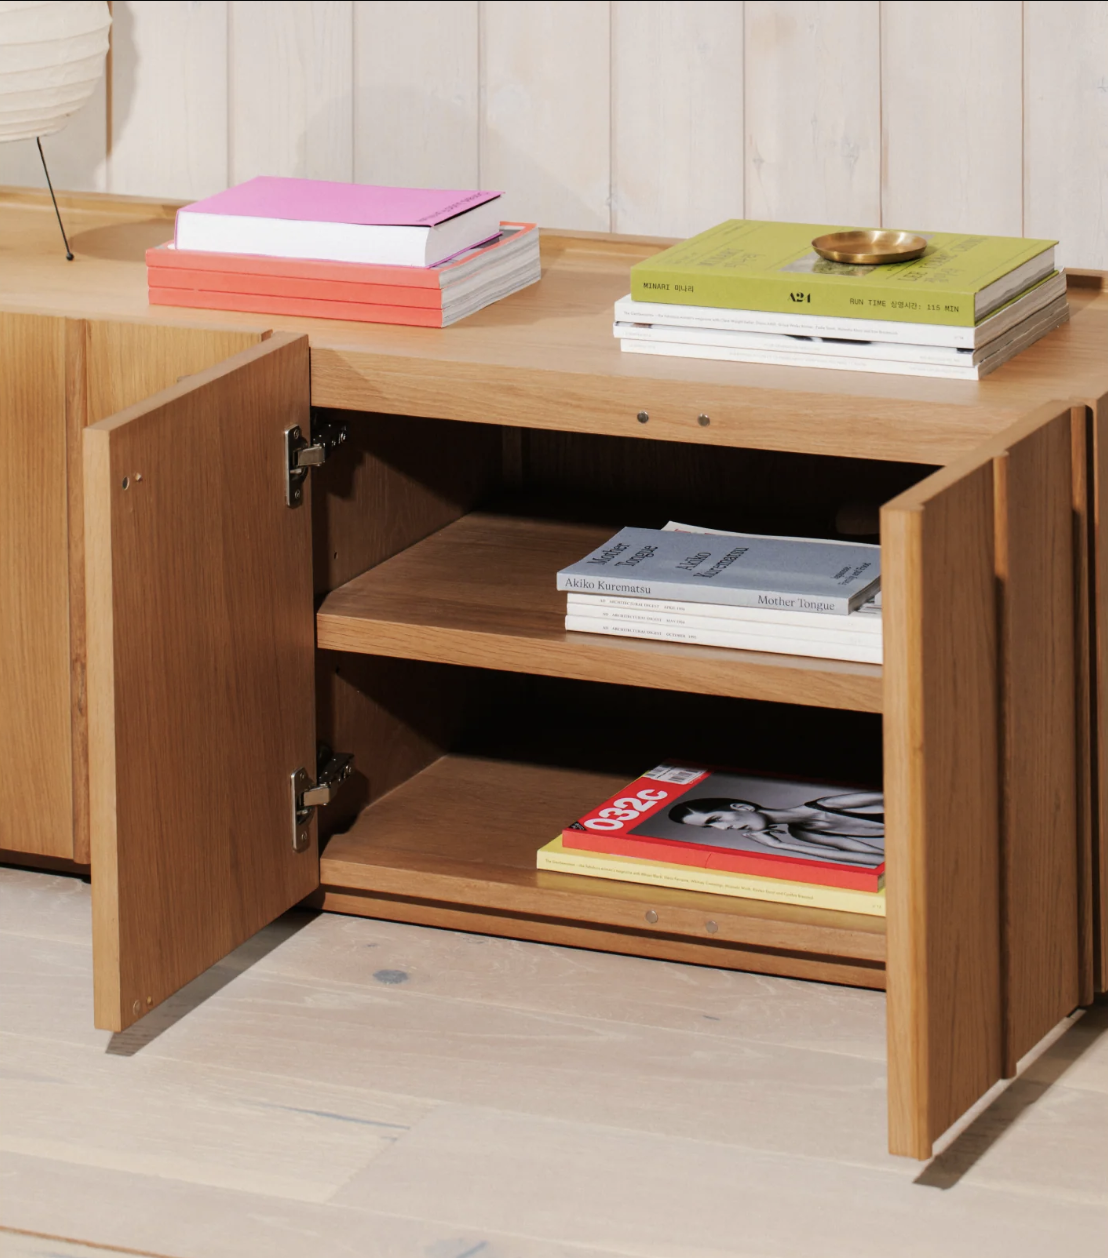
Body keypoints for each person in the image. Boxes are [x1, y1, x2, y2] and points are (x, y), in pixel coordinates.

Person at [667, 791, 884, 866]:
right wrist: (782, 846)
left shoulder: (831, 804)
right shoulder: (803, 833)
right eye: (711, 827)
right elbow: (881, 860)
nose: (723, 829)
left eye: (716, 818)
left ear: (741, 807)